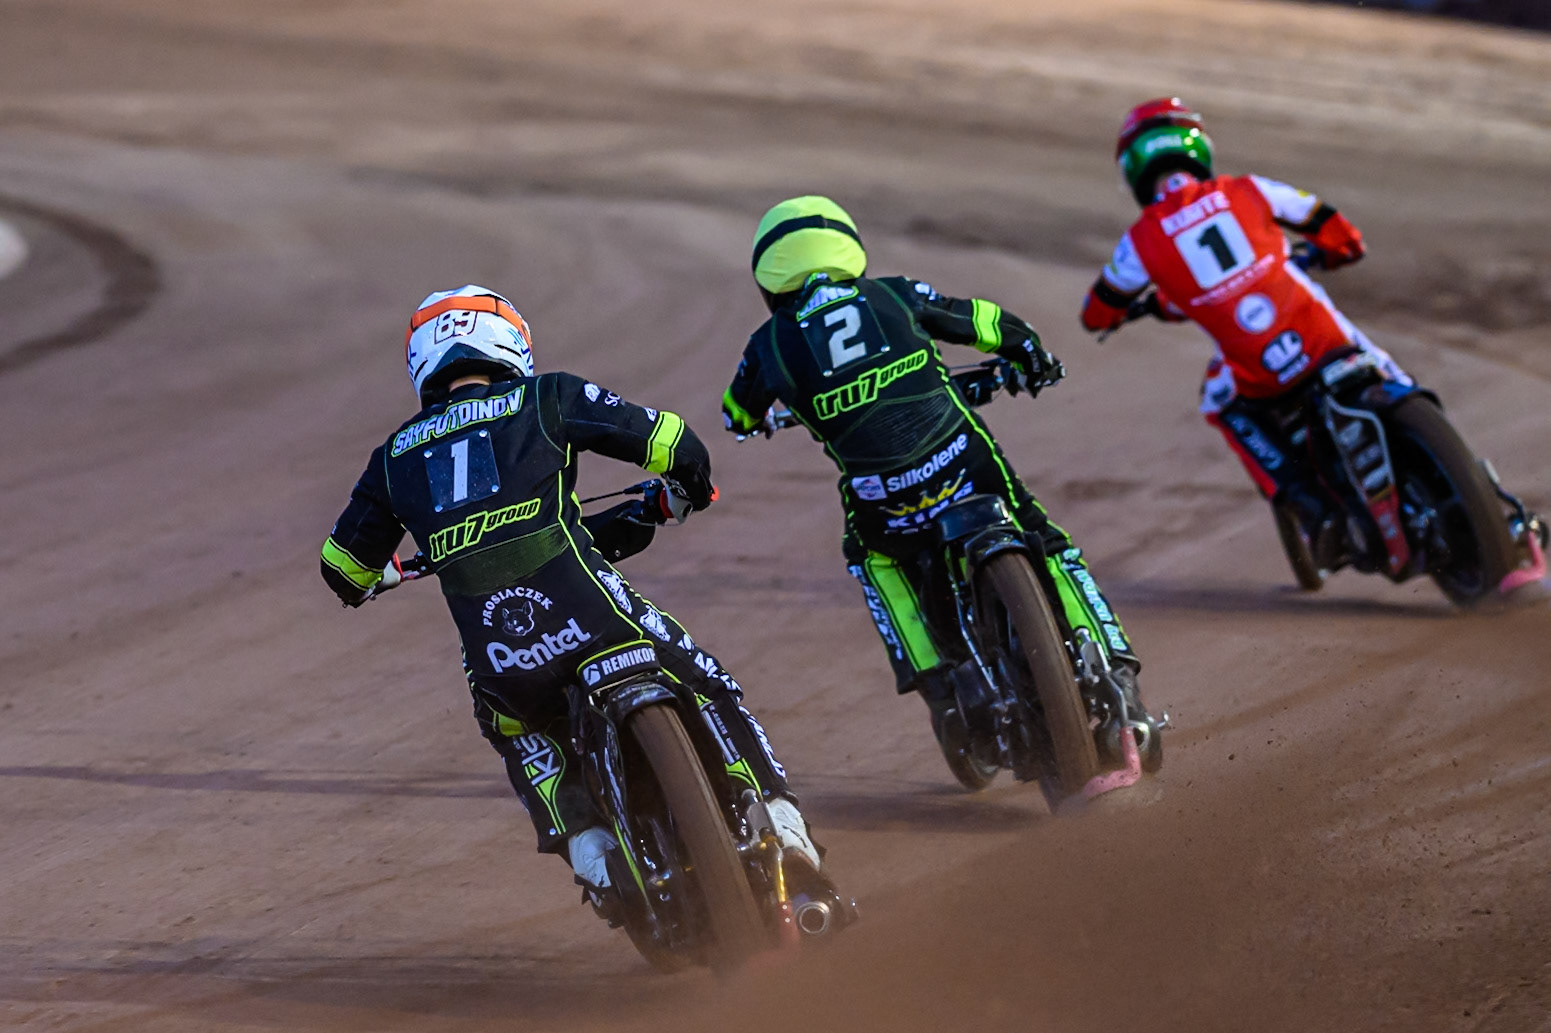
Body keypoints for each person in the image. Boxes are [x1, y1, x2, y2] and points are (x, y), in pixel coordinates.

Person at [320, 284, 819, 912]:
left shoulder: (393, 456)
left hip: (505, 655)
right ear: (511, 344)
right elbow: (675, 444)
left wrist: (378, 576)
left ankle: (592, 857)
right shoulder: (546, 396)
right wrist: (685, 491)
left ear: (421, 362)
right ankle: (784, 827)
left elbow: (341, 569)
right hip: (597, 618)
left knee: (515, 729)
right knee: (706, 681)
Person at [721, 196, 1146, 765]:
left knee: (873, 562)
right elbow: (986, 323)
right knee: (1049, 543)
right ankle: (1118, 675)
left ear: (769, 277)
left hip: (887, 501)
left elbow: (736, 415)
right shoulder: (894, 292)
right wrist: (1030, 356)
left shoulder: (766, 344)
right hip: (965, 467)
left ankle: (942, 691)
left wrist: (766, 416)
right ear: (848, 250)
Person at [1079, 97, 1413, 561]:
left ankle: (1312, 507)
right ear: (1197, 149)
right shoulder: (1249, 189)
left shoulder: (1140, 242)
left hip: (1261, 374)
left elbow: (1096, 312)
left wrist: (1123, 312)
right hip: (1326, 340)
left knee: (1218, 401)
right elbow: (1333, 227)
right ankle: (1484, 489)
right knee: (1387, 369)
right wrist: (1337, 251)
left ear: (1134, 167)